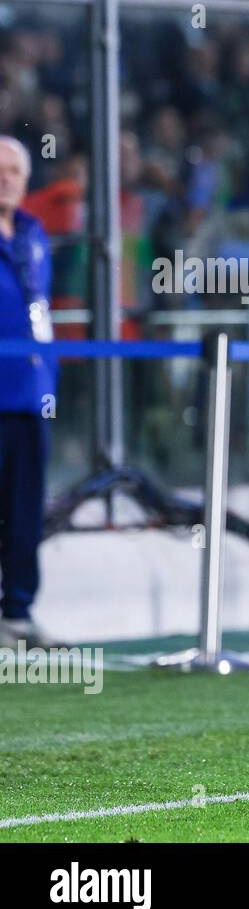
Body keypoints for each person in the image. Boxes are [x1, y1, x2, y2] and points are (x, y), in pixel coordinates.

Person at [0, 135, 55, 649]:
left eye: (14, 170)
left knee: (24, 510)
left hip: (30, 395)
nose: (6, 178)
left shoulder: (34, 235)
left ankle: (17, 613)